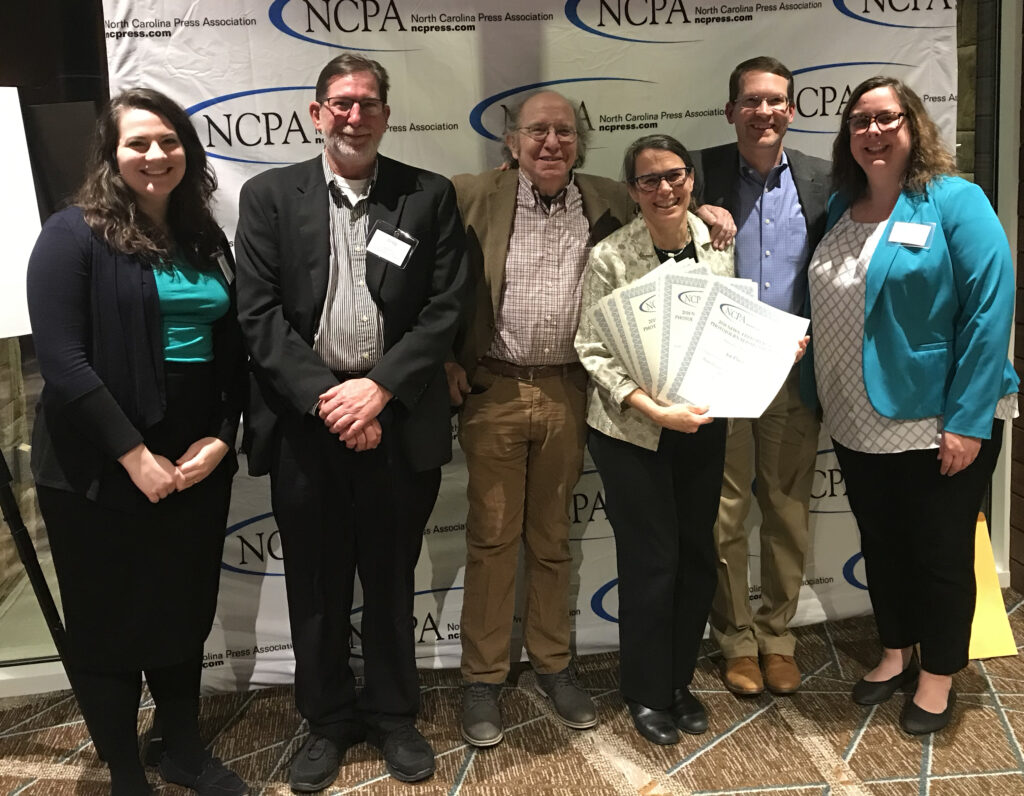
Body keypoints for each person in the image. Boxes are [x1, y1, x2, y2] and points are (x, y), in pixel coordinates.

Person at [234, 53, 467, 789]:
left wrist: (379, 391)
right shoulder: (270, 197)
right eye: (340, 102)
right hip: (309, 423)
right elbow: (259, 314)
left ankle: (396, 714)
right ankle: (328, 719)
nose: (354, 115)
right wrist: (331, 399)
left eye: (368, 103)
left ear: (386, 116)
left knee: (392, 577)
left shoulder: (426, 196)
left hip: (397, 421)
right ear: (316, 113)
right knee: (317, 580)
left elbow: (446, 307)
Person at [25, 89, 248, 796]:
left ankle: (180, 749)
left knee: (182, 609)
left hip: (194, 455)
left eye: (170, 141)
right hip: (98, 460)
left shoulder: (202, 237)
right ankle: (126, 773)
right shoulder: (71, 235)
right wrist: (133, 456)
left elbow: (232, 347)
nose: (156, 155)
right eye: (138, 144)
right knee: (109, 624)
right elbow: (63, 362)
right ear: (111, 156)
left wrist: (223, 435)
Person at [807, 76, 1018, 735]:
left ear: (913, 125)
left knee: (941, 551)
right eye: (860, 121)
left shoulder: (954, 201)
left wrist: (966, 420)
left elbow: (990, 310)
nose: (873, 132)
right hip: (853, 417)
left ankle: (938, 673)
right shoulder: (842, 205)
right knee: (885, 544)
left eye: (886, 119)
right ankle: (896, 649)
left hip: (935, 420)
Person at [445, 90, 635, 748]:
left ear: (579, 141)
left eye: (563, 131)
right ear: (512, 142)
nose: (550, 142)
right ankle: (482, 679)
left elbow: (673, 222)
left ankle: (553, 664)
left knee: (552, 539)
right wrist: (444, 356)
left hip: (567, 391)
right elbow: (430, 279)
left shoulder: (613, 198)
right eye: (537, 132)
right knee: (493, 540)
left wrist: (714, 215)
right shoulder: (471, 195)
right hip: (493, 388)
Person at [574, 134, 735, 745]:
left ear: (691, 178)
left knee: (696, 554)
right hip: (631, 430)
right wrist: (649, 408)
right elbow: (590, 347)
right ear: (633, 190)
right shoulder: (610, 257)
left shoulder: (717, 245)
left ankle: (677, 681)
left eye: (674, 175)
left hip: (699, 422)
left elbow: (728, 327)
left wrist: (768, 350)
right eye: (648, 180)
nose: (664, 189)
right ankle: (645, 690)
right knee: (652, 560)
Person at [692, 56, 830, 696]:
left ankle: (778, 637)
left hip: (791, 374)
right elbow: (632, 207)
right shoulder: (695, 173)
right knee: (725, 514)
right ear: (730, 111)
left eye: (776, 101)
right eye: (751, 101)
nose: (764, 111)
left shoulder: (824, 180)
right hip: (720, 373)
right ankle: (735, 640)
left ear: (792, 111)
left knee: (787, 511)